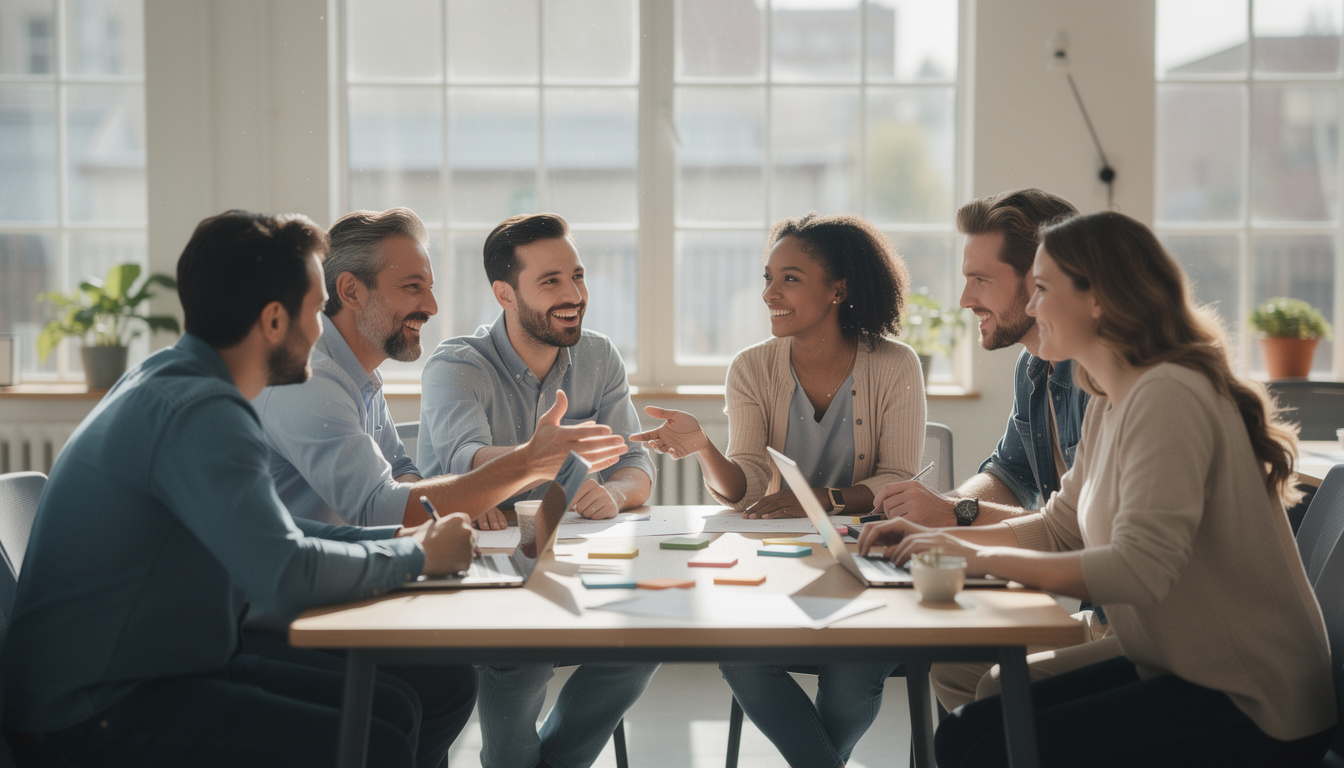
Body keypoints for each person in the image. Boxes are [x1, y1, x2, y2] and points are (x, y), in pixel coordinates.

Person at [1, 211, 481, 768]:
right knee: (379, 736)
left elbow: (277, 529)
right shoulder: (201, 412)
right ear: (275, 321)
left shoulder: (177, 379)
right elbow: (283, 575)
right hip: (98, 709)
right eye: (314, 308)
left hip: (155, 669)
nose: (323, 328)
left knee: (393, 709)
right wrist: (416, 555)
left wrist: (403, 545)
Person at [861, 211, 1336, 768]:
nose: (1032, 307)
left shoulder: (1168, 396)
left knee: (988, 744)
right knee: (973, 728)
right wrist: (946, 542)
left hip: (1253, 696)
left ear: (1099, 300)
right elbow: (1060, 527)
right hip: (1180, 664)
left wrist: (980, 557)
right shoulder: (1110, 398)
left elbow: (1139, 568)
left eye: (1041, 289)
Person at [634, 213, 925, 767]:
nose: (769, 293)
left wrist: (823, 500)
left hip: (866, 561)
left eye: (789, 278)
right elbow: (742, 487)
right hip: (777, 561)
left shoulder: (895, 365)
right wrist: (702, 447)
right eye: (768, 277)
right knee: (740, 655)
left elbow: (898, 479)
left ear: (838, 289)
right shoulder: (751, 367)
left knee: (854, 673)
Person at [418, 212, 657, 768]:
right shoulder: (456, 364)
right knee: (520, 655)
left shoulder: (598, 356)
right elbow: (464, 463)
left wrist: (615, 494)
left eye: (577, 275)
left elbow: (638, 464)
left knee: (644, 644)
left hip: (569, 560)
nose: (574, 294)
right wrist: (545, 459)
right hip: (475, 569)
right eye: (550, 281)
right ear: (504, 293)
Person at [873, 188, 1118, 711]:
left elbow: (1075, 536)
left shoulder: (1107, 382)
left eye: (981, 280)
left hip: (1146, 634)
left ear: (1041, 285)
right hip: (1106, 616)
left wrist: (957, 520)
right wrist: (943, 514)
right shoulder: (1035, 367)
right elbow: (1010, 471)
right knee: (957, 664)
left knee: (990, 691)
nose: (964, 300)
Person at [253, 207, 630, 534]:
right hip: (280, 598)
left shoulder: (359, 374)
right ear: (352, 292)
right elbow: (375, 508)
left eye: (430, 287)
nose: (432, 306)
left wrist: (453, 509)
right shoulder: (310, 377)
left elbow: (400, 470)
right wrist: (528, 462)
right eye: (413, 287)